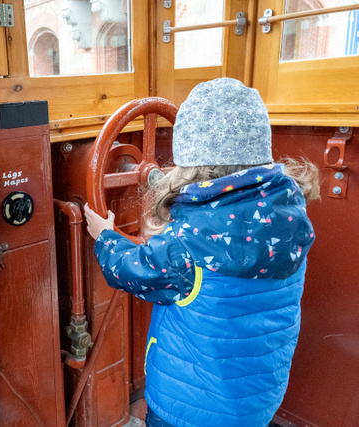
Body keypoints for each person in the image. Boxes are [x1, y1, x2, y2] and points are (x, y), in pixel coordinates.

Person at [83, 78, 319, 427]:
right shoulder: (291, 217)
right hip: (256, 402)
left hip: (186, 409)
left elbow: (128, 268)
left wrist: (104, 236)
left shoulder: (185, 245)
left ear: (189, 163)